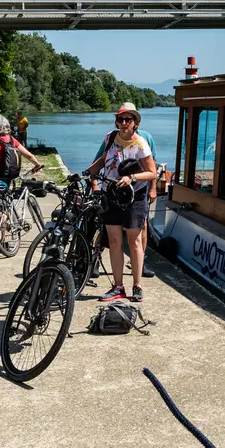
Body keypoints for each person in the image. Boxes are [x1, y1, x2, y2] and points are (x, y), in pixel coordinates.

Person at [85, 102, 156, 304]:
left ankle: (137, 285)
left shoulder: (141, 144)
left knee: (133, 241)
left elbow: (151, 172)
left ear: (135, 123)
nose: (124, 123)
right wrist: (88, 174)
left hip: (134, 196)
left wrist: (132, 178)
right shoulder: (109, 138)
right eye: (120, 119)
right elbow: (101, 161)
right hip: (112, 194)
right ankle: (118, 286)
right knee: (114, 241)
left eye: (128, 119)